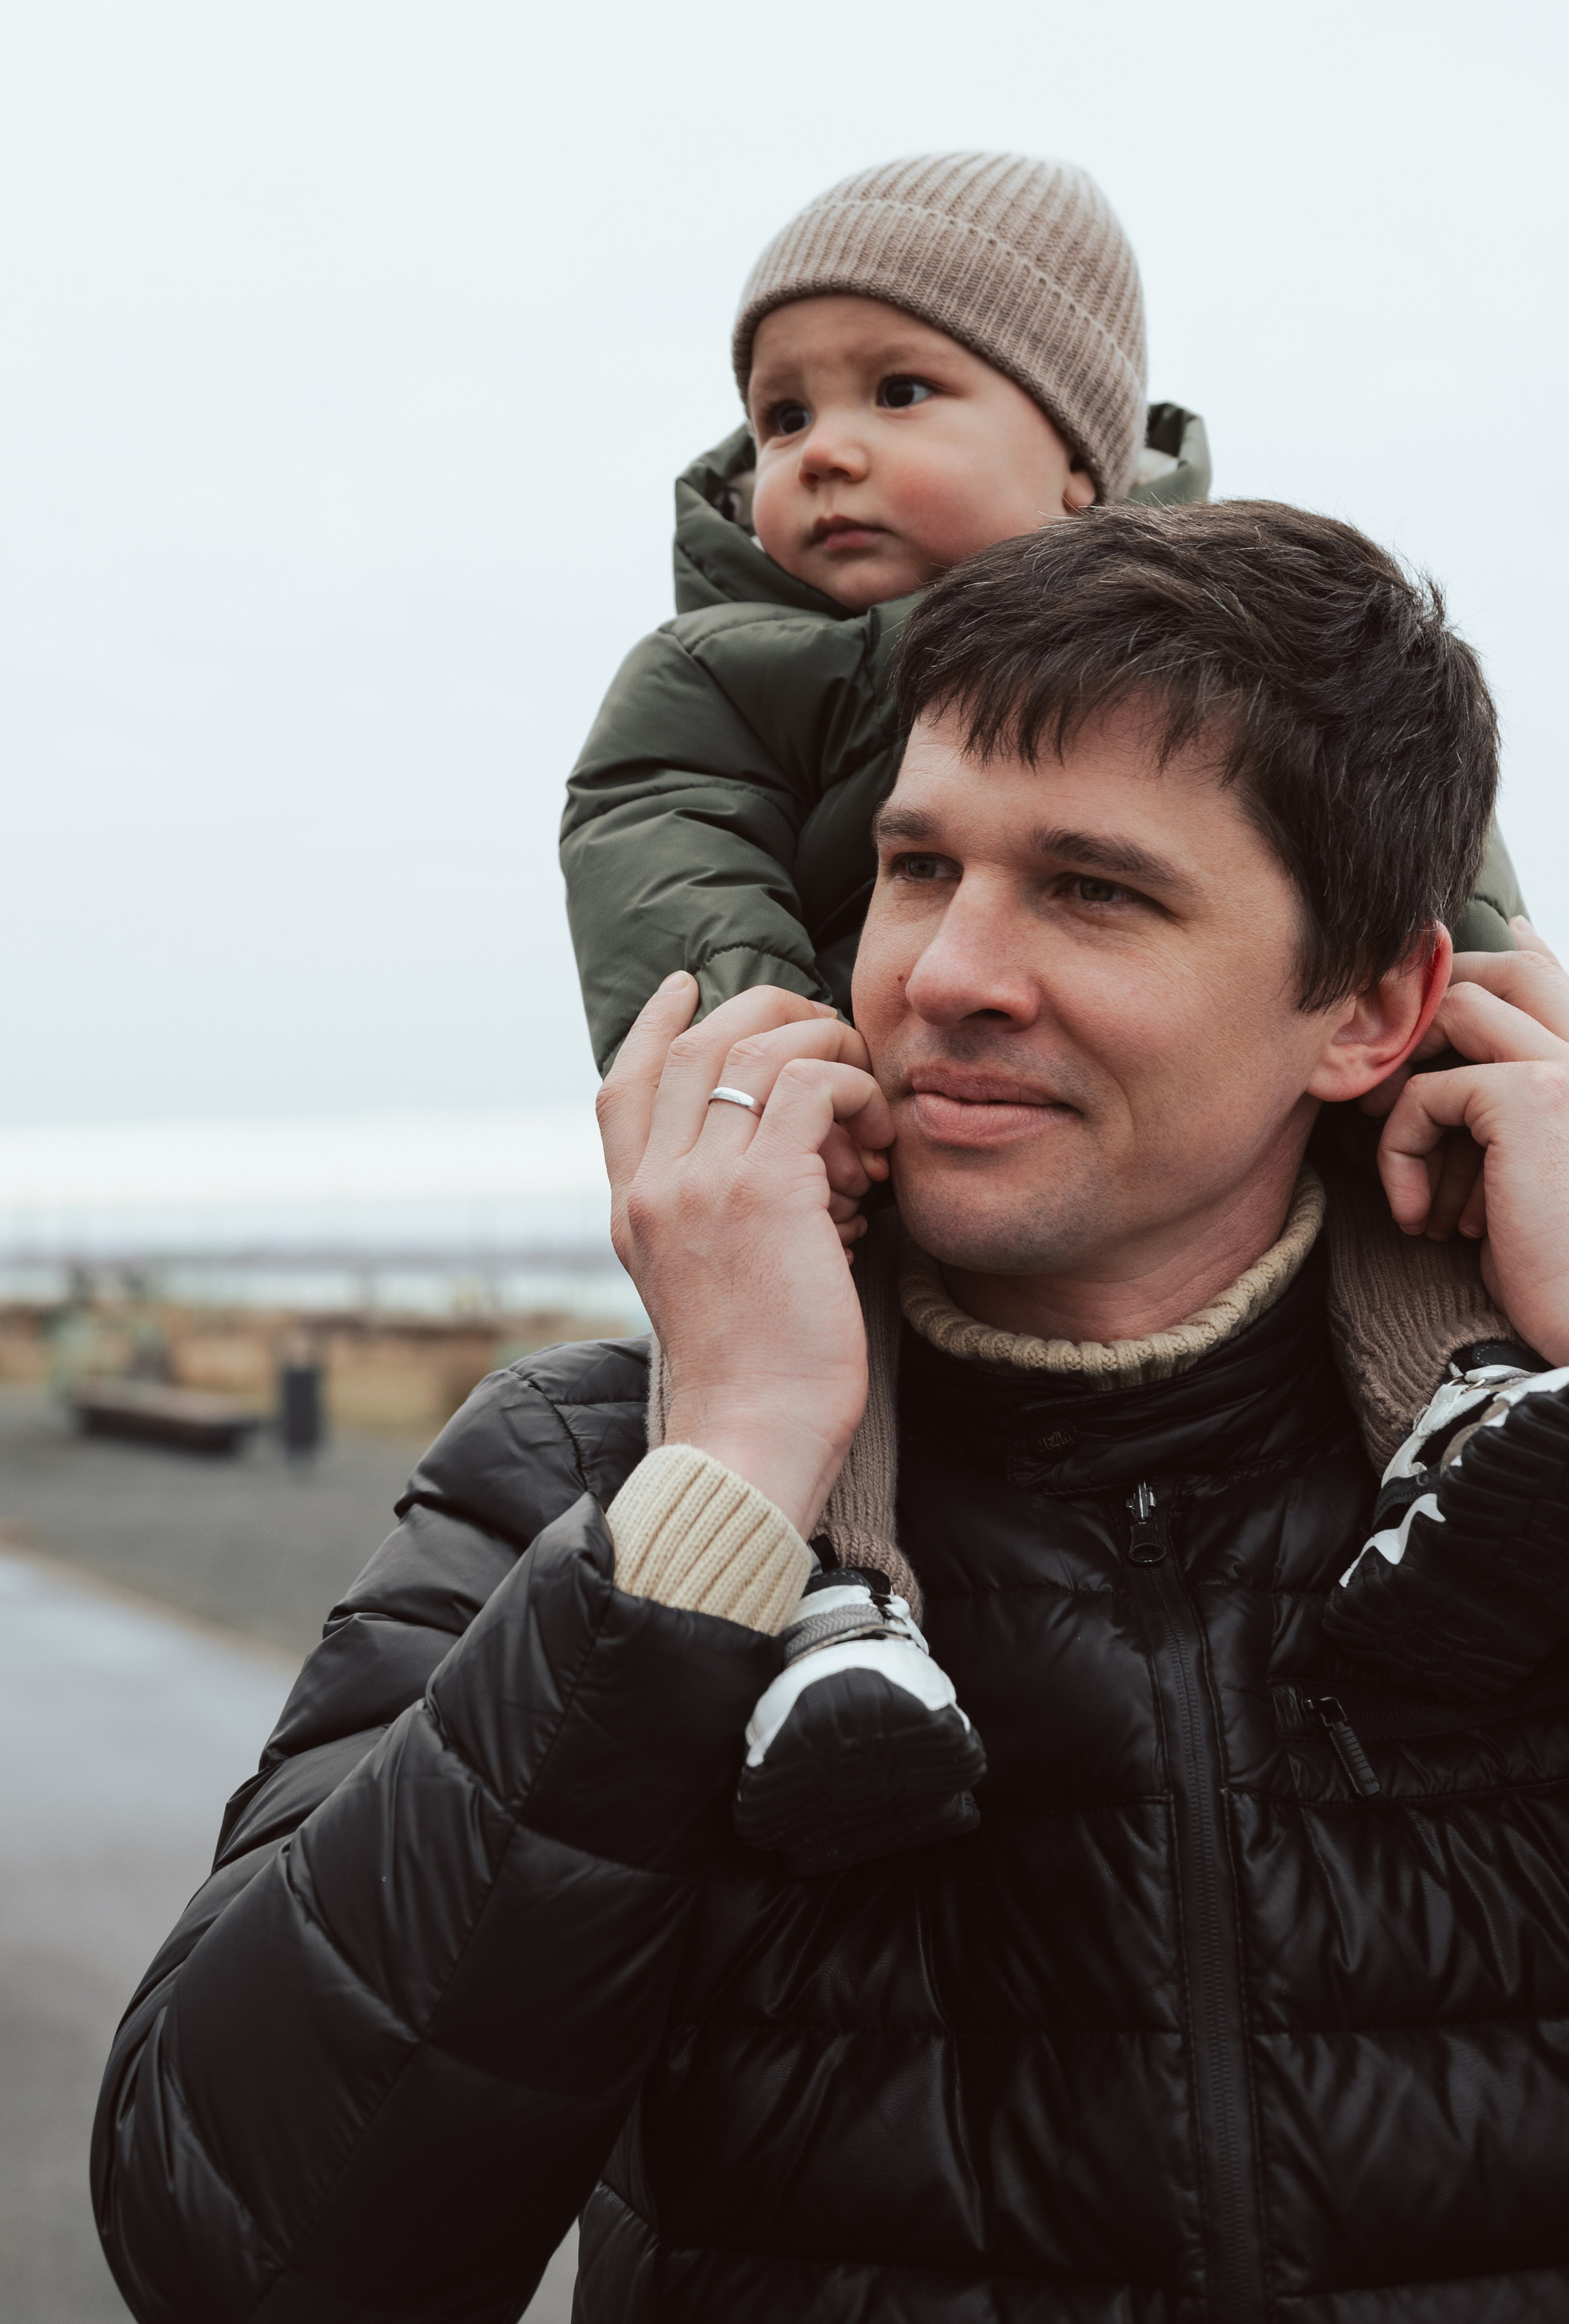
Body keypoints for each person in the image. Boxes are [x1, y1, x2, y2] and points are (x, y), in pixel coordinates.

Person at [93, 500, 1569, 2323]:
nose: (941, 974)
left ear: (1369, 1009)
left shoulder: (1511, 1461)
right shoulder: (589, 1466)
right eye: (918, 866)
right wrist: (724, 1475)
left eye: (1094, 888)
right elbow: (242, 2255)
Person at [562, 149, 1531, 1871]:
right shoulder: (722, 671)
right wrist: (783, 1058)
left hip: (1320, 1171)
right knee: (819, 1327)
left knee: (1411, 1153)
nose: (819, 450)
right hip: (854, 1129)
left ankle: (1461, 1417)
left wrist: (1510, 1031)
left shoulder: (1265, 657)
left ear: (1082, 452)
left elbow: (1428, 894)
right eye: (776, 417)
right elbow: (658, 853)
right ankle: (832, 1603)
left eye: (898, 389)